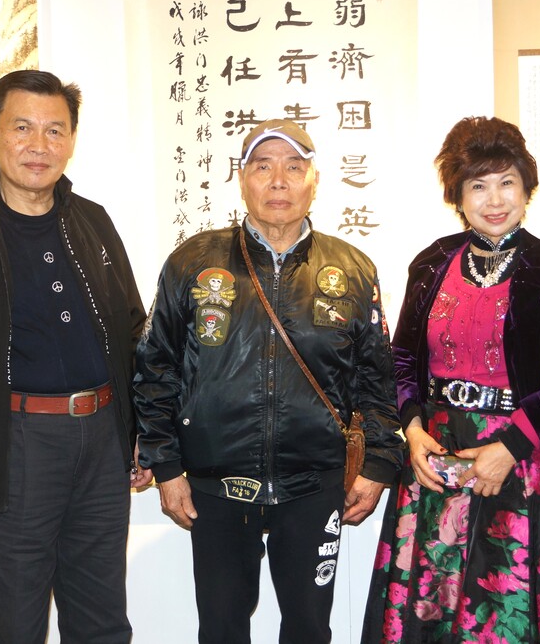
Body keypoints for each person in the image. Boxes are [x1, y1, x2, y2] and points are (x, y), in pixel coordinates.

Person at [0, 69, 152, 642]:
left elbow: (132, 332)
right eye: (22, 127)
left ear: (71, 139)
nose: (39, 145)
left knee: (103, 624)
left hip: (103, 444)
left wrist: (144, 429)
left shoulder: (93, 221)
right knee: (12, 626)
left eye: (55, 130)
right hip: (13, 449)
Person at [133, 119, 404, 644]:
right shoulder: (193, 261)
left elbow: (376, 378)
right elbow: (155, 367)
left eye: (294, 167)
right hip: (215, 482)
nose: (279, 180)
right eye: (263, 166)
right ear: (242, 180)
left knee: (309, 628)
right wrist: (165, 466)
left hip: (314, 484)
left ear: (314, 181)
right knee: (221, 628)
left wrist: (377, 464)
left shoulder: (351, 269)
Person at [362, 116, 540, 643]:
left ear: (527, 187)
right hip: (436, 457)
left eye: (507, 182)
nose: (494, 199)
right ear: (458, 195)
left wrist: (508, 448)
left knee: (504, 610)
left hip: (520, 459)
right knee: (432, 611)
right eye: (478, 185)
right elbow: (403, 358)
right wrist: (412, 430)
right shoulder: (431, 264)